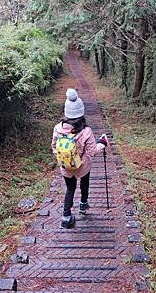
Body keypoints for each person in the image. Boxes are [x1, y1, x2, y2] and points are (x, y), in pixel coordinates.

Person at [51, 88, 108, 228]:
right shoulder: (86, 131)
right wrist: (102, 143)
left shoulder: (57, 128)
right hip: (82, 167)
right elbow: (92, 151)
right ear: (81, 112)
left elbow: (54, 147)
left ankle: (66, 217)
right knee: (84, 183)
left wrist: (63, 159)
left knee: (70, 189)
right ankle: (83, 204)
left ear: (66, 112)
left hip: (66, 166)